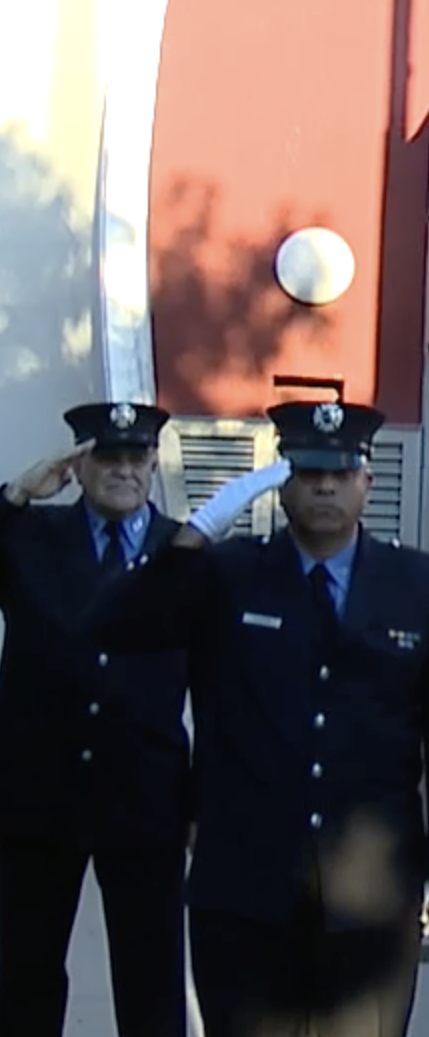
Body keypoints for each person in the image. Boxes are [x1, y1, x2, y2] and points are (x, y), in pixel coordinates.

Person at [91, 399, 429, 1034]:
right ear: (281, 483)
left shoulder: (422, 586)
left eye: (341, 472)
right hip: (244, 893)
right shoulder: (227, 573)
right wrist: (194, 535)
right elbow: (117, 626)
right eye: (307, 472)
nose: (325, 486)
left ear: (367, 482)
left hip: (371, 897)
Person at [0, 404, 192, 1037]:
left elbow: (221, 682)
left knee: (151, 983)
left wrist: (202, 800)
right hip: (38, 798)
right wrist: (15, 494)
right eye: (107, 457)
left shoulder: (184, 553)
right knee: (23, 977)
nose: (123, 470)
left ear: (154, 464)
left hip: (146, 801)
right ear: (77, 466)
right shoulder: (31, 536)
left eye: (137, 457)